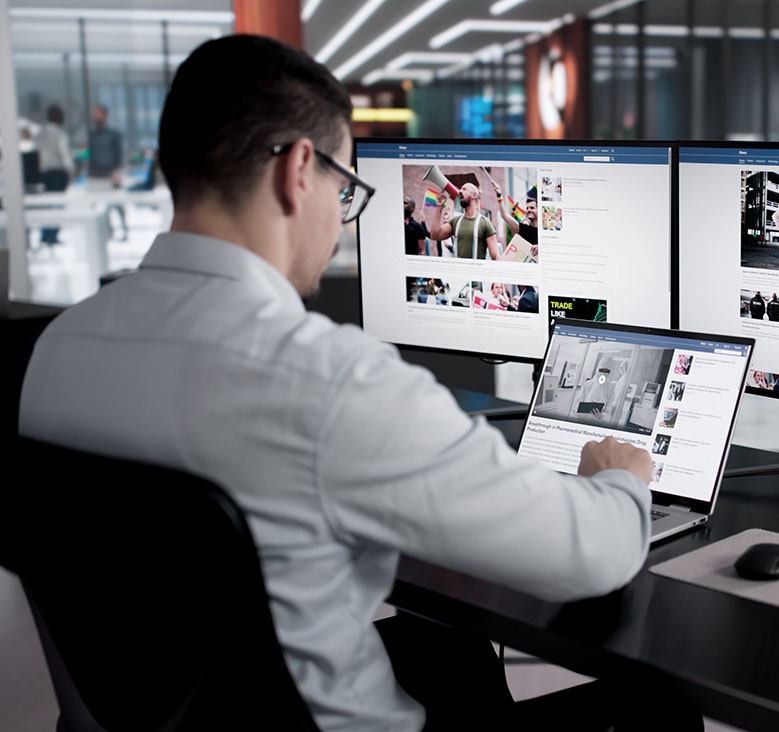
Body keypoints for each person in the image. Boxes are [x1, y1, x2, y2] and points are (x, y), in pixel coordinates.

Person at [18, 34, 686, 732]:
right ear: (298, 171)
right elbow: (592, 554)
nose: (342, 219)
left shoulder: (58, 347)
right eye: (345, 190)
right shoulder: (331, 378)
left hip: (163, 712)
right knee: (658, 711)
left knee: (454, 653)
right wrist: (621, 478)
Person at [87, 104, 128, 240]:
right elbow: (91, 155)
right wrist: (91, 172)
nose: (96, 116)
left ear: (105, 115)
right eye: (95, 113)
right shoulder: (92, 135)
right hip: (97, 173)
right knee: (99, 204)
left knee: (117, 203)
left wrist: (116, 170)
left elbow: (118, 154)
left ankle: (124, 228)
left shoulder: (113, 134)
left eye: (98, 113)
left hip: (111, 172)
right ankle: (107, 231)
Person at [431, 181, 501, 260]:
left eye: (464, 189)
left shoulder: (485, 223)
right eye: (460, 189)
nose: (460, 191)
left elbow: (495, 255)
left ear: (474, 195)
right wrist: (439, 207)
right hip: (458, 268)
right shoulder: (455, 222)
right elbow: (434, 235)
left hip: (476, 268)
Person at [34, 104, 73, 245]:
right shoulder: (60, 134)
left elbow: (37, 153)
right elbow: (65, 153)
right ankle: (52, 236)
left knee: (47, 205)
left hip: (44, 173)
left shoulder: (40, 134)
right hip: (58, 173)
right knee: (57, 204)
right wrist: (71, 170)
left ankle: (45, 235)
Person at [491, 179, 539, 260]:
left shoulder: (545, 230)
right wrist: (499, 194)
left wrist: (541, 247)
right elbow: (504, 216)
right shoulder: (524, 228)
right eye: (527, 208)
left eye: (532, 208)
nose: (528, 210)